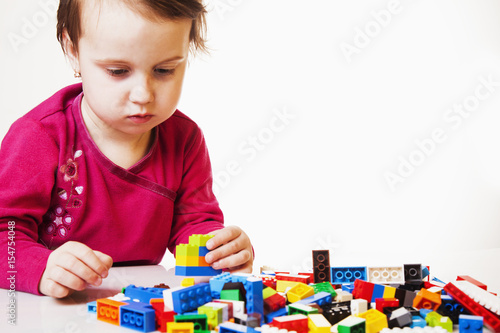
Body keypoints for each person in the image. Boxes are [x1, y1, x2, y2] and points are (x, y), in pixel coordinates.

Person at [0, 0, 253, 298]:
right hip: (54, 311)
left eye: (164, 70)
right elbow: (6, 232)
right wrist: (40, 267)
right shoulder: (40, 135)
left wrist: (218, 250)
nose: (143, 94)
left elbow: (194, 224)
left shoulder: (184, 139)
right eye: (118, 71)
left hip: (140, 303)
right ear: (72, 50)